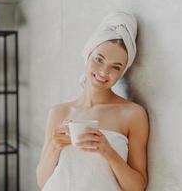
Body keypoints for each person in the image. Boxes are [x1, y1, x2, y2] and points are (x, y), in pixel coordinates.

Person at [36, 12, 149, 191]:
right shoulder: (59, 112)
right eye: (99, 59)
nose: (104, 72)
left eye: (116, 67)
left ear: (123, 72)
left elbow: (137, 187)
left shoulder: (133, 114)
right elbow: (42, 181)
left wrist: (108, 152)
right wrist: (55, 146)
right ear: (87, 55)